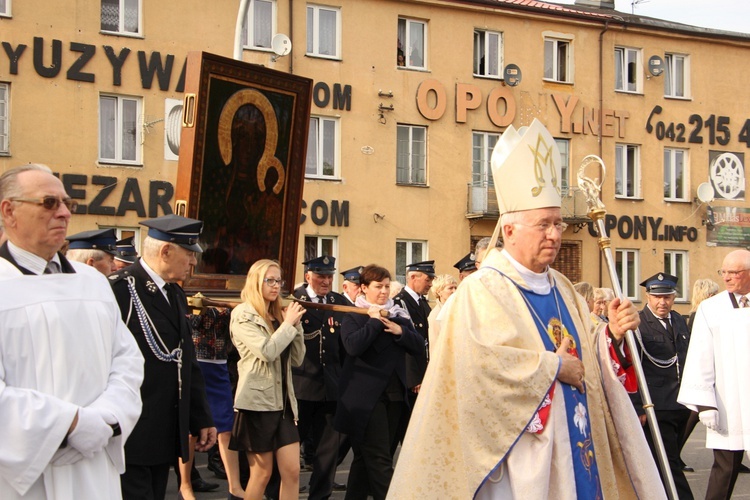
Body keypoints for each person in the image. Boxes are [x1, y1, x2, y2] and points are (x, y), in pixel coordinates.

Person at [388, 119, 663, 498]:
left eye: (558, 223)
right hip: (519, 460)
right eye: (543, 225)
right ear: (512, 230)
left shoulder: (564, 287)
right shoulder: (481, 290)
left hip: (578, 442)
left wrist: (612, 333)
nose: (554, 234)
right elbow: (476, 368)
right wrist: (552, 368)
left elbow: (589, 349)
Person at [0, 164, 144, 499]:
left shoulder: (92, 281)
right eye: (49, 203)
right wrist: (70, 424)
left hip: (94, 465)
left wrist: (107, 420)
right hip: (23, 474)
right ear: (9, 211)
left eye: (68, 204)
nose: (64, 213)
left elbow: (127, 361)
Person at [109, 214, 217, 500]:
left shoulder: (175, 294)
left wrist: (200, 416)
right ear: (166, 250)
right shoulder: (121, 290)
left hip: (164, 429)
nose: (193, 262)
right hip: (131, 429)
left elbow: (187, 361)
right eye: (189, 254)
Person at [335, 264, 424, 500]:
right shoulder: (354, 315)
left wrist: (400, 332)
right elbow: (353, 346)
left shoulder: (397, 315)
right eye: (378, 287)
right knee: (380, 459)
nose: (384, 292)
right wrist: (374, 322)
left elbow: (418, 346)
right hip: (366, 401)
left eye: (387, 286)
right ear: (364, 288)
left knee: (367, 459)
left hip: (394, 397)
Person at [230, 259, 306, 500]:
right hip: (257, 403)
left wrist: (296, 327)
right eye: (270, 280)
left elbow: (297, 359)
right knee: (262, 473)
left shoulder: (278, 314)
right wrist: (288, 325)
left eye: (279, 281)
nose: (276, 286)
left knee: (293, 472)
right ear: (256, 282)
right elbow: (267, 351)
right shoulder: (243, 314)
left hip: (284, 403)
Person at [678, 249, 750, 500]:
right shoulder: (711, 309)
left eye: (734, 272)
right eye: (724, 272)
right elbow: (700, 357)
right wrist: (704, 403)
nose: (727, 277)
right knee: (726, 468)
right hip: (728, 401)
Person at [629, 273, 693, 499]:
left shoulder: (678, 320)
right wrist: (638, 407)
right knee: (670, 461)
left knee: (665, 460)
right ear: (647, 296)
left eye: (667, 297)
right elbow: (632, 369)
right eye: (657, 297)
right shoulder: (638, 324)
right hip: (656, 405)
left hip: (681, 404)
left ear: (674, 297)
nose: (662, 302)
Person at [292, 255, 347, 500]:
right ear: (308, 277)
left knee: (328, 450)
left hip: (331, 388)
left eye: (328, 276)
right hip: (301, 386)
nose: (325, 281)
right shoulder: (294, 300)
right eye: (320, 276)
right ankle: (281, 492)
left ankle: (320, 495)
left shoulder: (337, 301)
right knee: (291, 445)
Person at [679, 278, 719, 473]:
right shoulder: (700, 315)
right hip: (700, 372)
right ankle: (675, 452)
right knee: (694, 413)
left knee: (696, 414)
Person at [392, 260, 434, 401]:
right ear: (413, 278)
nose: (431, 284)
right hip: (409, 376)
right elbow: (403, 342)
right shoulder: (400, 303)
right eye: (428, 279)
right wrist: (414, 378)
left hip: (424, 370)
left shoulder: (422, 303)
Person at [427, 273, 458, 354]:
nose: (454, 291)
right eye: (450, 288)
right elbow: (434, 345)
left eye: (455, 287)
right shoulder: (436, 315)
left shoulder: (458, 308)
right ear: (439, 292)